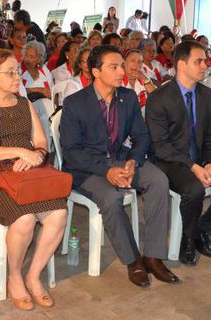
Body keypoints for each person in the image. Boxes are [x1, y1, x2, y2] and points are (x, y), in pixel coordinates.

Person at [60, 45, 178, 288]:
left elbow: (141, 135)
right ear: (96, 72)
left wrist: (133, 161)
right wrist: (106, 171)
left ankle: (154, 256)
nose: (121, 72)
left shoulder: (127, 97)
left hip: (120, 158)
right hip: (86, 168)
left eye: (121, 66)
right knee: (111, 198)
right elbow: (71, 152)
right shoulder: (75, 103)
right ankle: (133, 260)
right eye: (113, 67)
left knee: (158, 180)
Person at [0, 49, 66, 310]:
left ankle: (34, 275)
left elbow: (41, 142)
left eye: (17, 71)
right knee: (25, 218)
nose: (17, 76)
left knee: (59, 214)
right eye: (10, 73)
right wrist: (20, 151)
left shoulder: (23, 104)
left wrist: (35, 155)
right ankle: (15, 277)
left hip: (26, 172)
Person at [146, 40, 211, 264]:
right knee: (194, 189)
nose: (205, 66)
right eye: (199, 61)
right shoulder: (159, 98)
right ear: (181, 65)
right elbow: (161, 146)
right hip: (171, 161)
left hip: (201, 159)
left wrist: (209, 163)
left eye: (205, 61)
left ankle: (202, 230)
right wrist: (193, 167)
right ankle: (188, 241)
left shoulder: (207, 95)